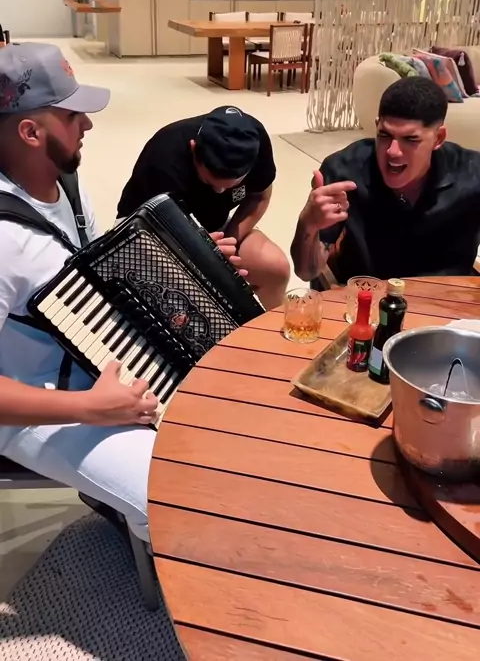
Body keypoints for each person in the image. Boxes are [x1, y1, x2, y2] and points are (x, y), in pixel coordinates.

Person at [0, 42, 158, 541]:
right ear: (31, 132)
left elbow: (89, 269)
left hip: (93, 360)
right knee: (174, 494)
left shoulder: (64, 182)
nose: (87, 124)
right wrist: (90, 408)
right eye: (72, 116)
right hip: (33, 407)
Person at [291, 76, 480, 285]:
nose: (392, 151)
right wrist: (308, 225)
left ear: (438, 138)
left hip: (448, 297)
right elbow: (306, 272)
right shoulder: (344, 169)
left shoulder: (473, 173)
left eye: (410, 139)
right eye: (384, 135)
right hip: (365, 295)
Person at [117, 106, 290, 309]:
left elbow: (259, 197)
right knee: (189, 302)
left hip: (211, 229)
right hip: (148, 233)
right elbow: (147, 231)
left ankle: (273, 327)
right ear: (193, 149)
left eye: (230, 185)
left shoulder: (255, 142)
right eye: (209, 182)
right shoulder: (164, 160)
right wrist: (203, 254)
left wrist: (227, 244)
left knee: (275, 269)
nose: (219, 191)